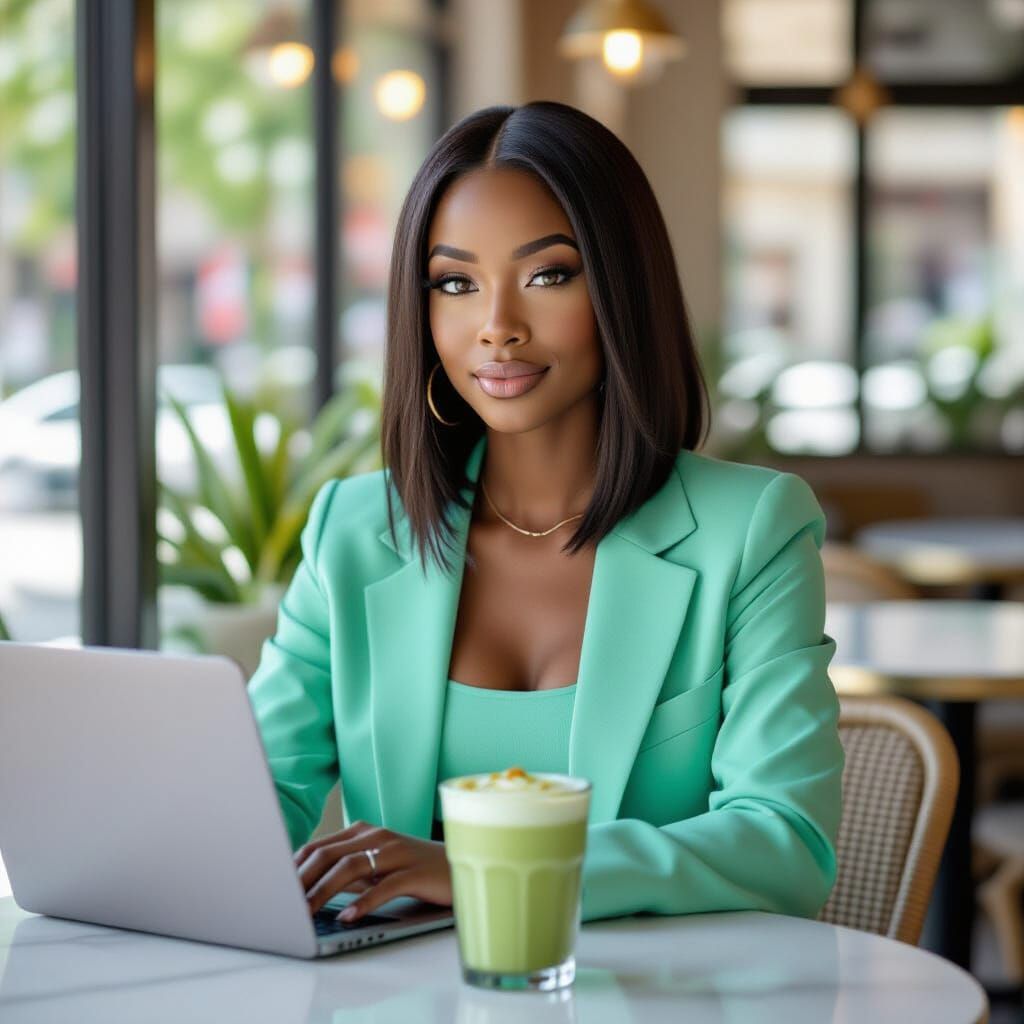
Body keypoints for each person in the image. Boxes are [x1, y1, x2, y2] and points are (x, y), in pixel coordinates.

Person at [248, 101, 844, 928]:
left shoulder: (750, 531)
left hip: (657, 987)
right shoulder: (351, 532)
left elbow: (787, 843)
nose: (498, 328)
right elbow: (253, 795)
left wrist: (487, 869)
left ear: (622, 288)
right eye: (455, 283)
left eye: (548, 275)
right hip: (394, 988)